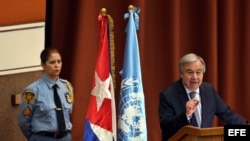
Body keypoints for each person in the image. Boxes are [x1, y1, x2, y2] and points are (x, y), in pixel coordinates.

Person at [158, 53, 248, 141]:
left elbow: (228, 114)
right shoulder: (168, 95)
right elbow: (166, 127)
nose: (195, 77)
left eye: (198, 72)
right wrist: (186, 114)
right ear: (181, 73)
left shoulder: (209, 90)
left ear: (203, 73)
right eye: (190, 72)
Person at [18, 47, 74, 141]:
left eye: (59, 61)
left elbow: (68, 114)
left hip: (65, 138)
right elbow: (23, 120)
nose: (57, 65)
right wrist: (34, 137)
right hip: (43, 137)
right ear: (43, 65)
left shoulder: (67, 87)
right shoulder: (33, 90)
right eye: (52, 62)